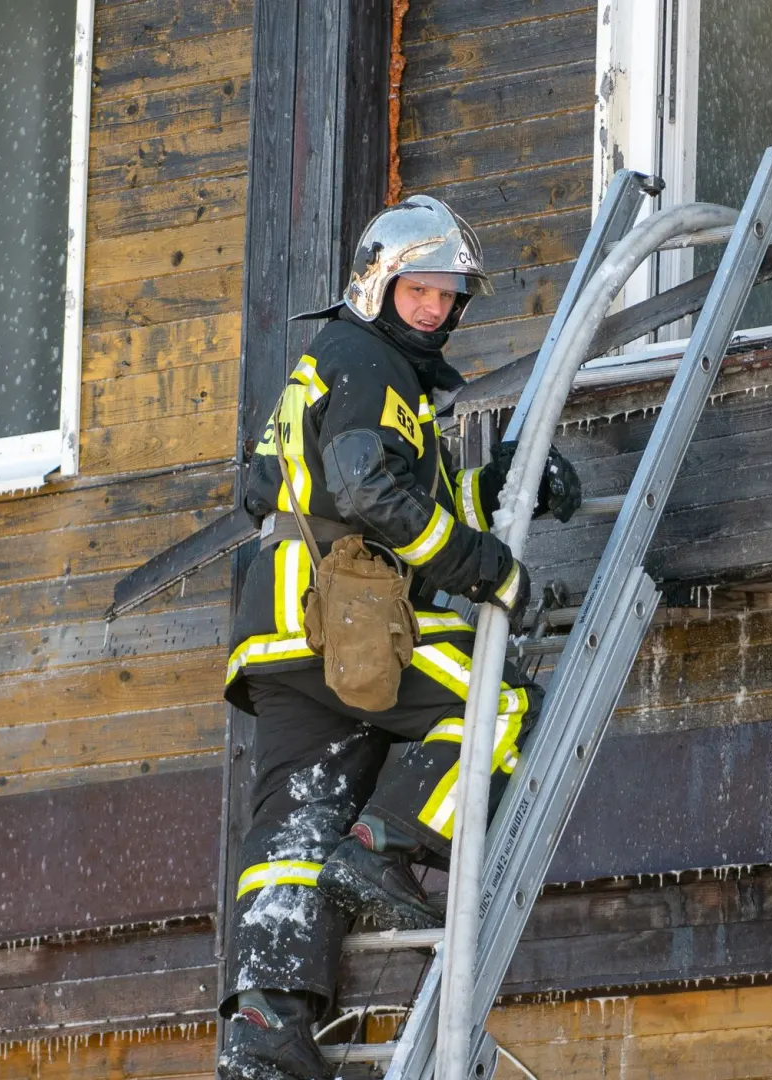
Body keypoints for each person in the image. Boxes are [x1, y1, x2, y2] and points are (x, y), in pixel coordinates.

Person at [217, 195, 581, 1080]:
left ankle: (265, 1037)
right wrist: (487, 566)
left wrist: (495, 487)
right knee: (501, 704)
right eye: (418, 289)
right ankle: (391, 843)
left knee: (292, 837)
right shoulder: (369, 358)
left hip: (283, 639)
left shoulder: (347, 364)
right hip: (346, 624)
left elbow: (355, 484)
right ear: (377, 285)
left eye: (448, 295)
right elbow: (369, 488)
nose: (434, 308)